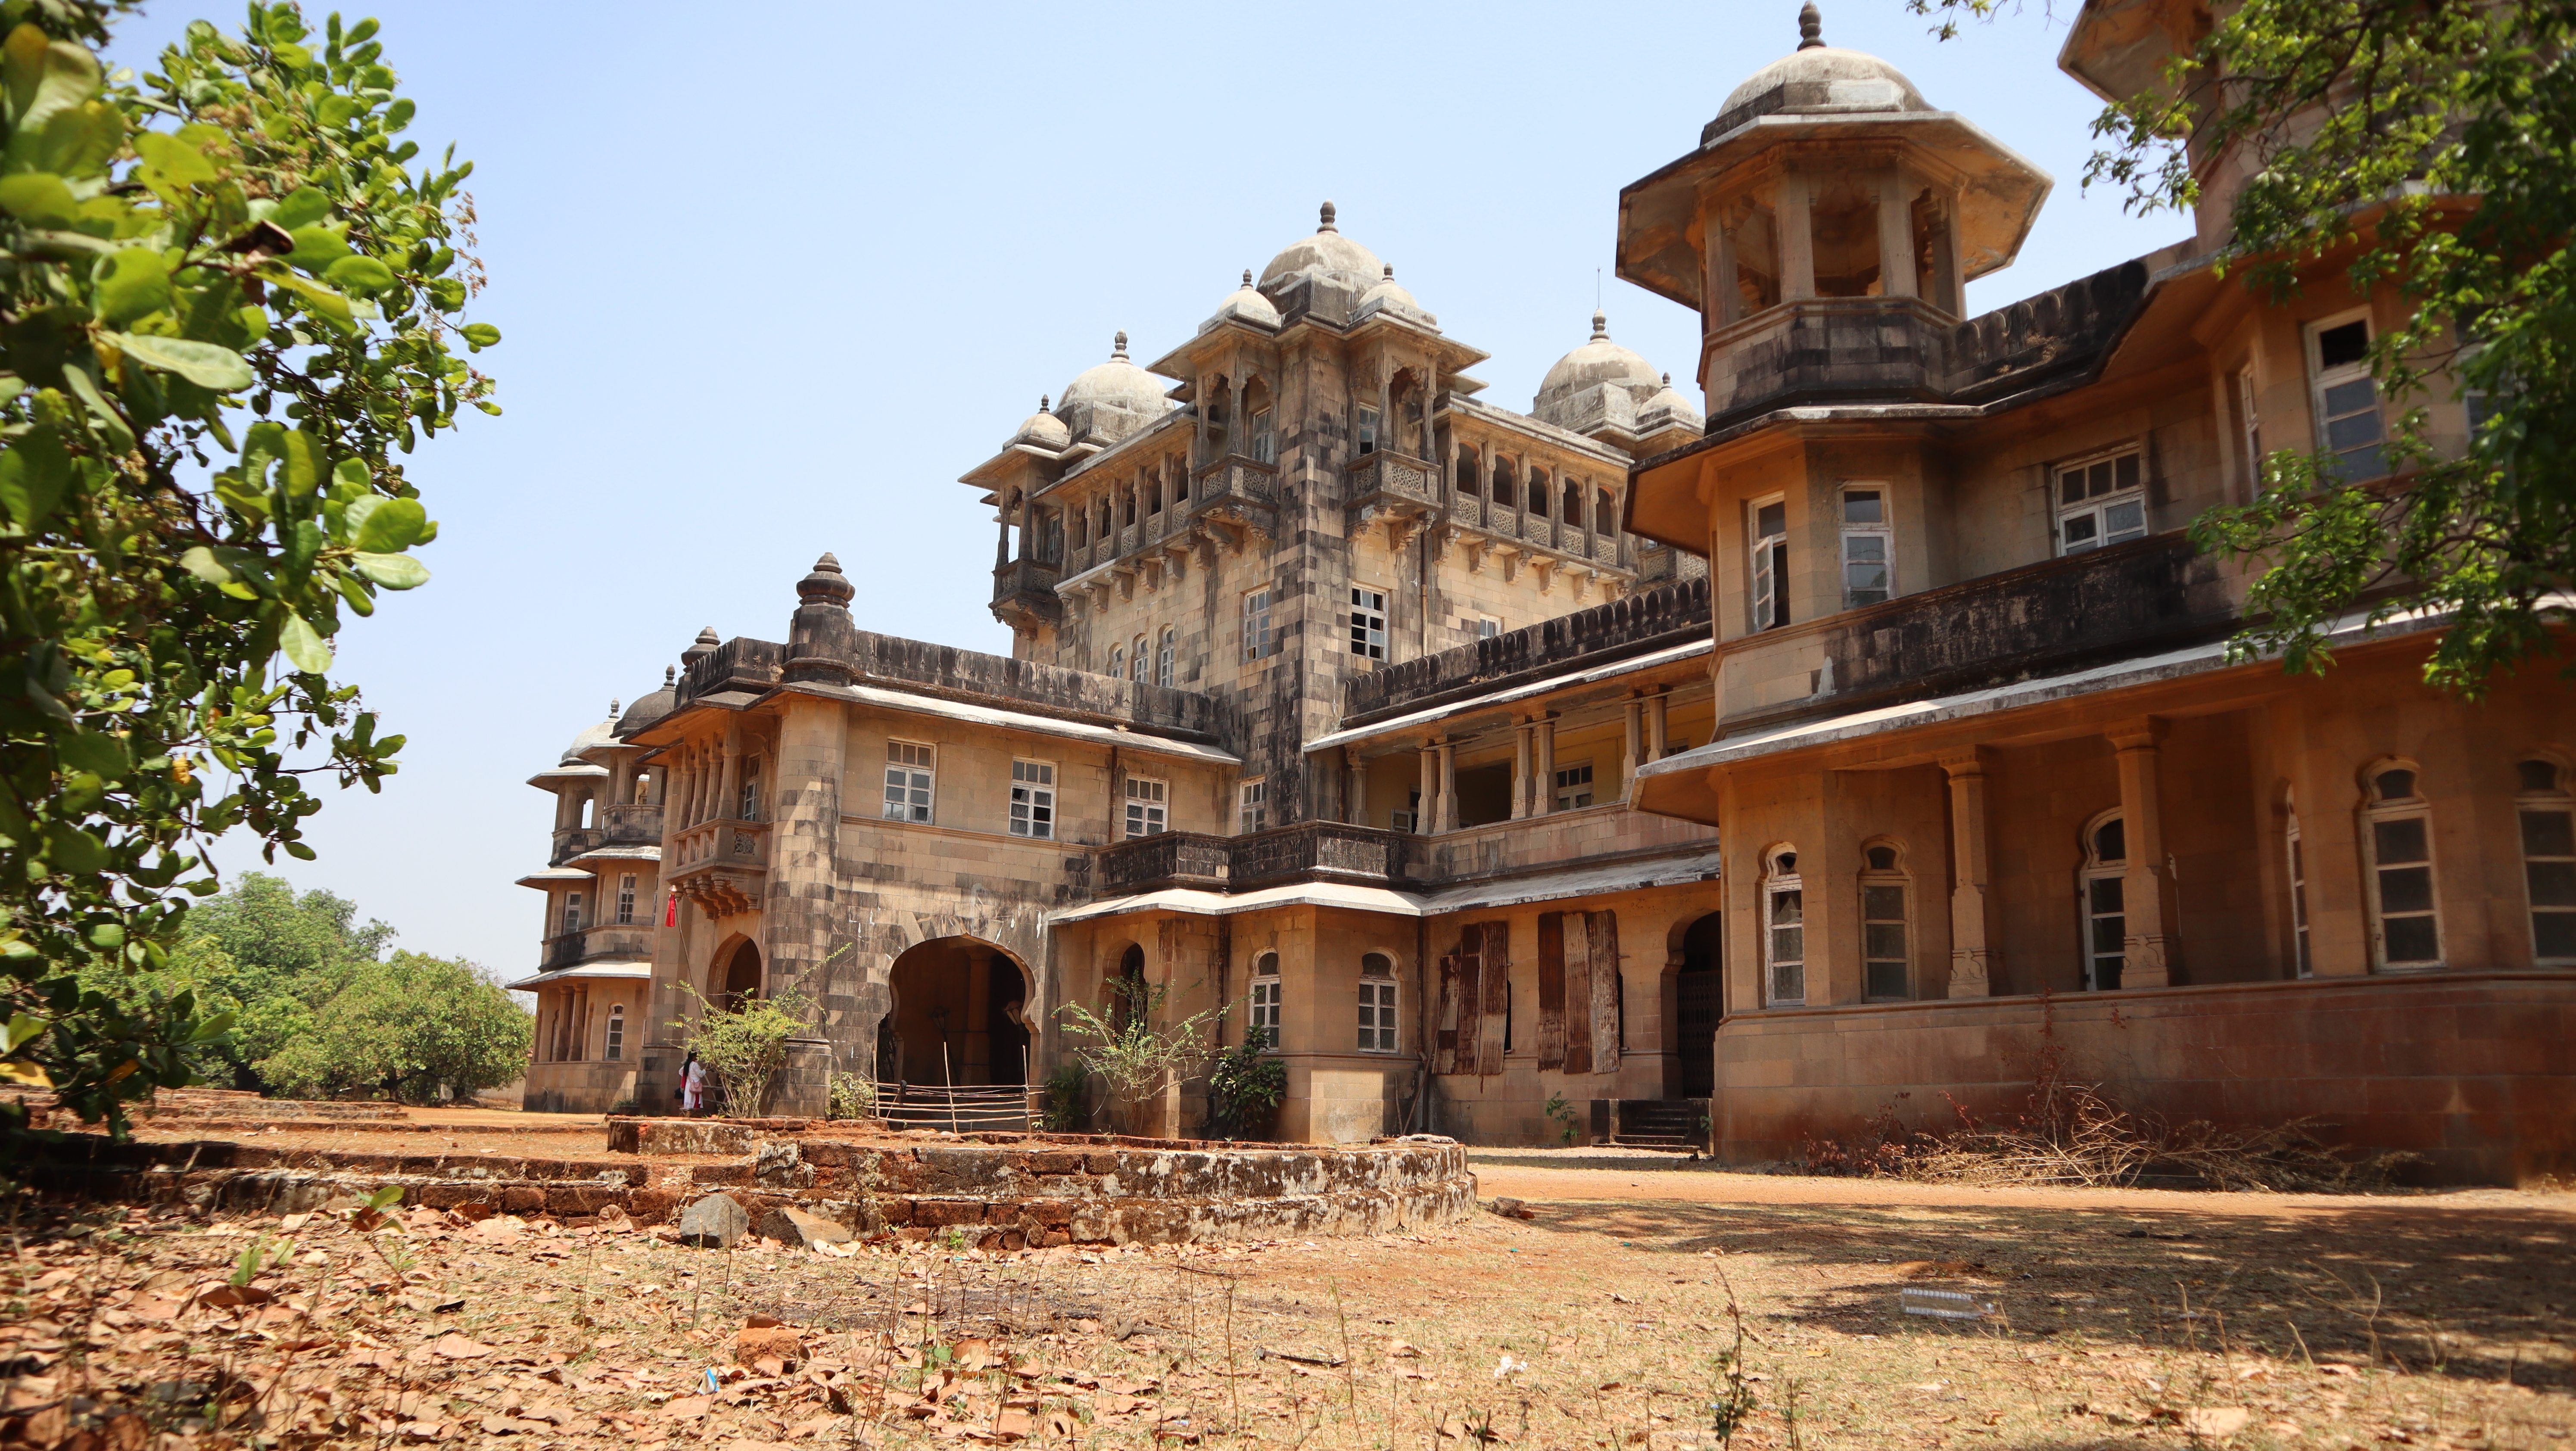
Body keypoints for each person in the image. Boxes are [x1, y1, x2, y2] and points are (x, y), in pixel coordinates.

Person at [682, 1050, 707, 1116]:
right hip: (695, 1085)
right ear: (694, 1057)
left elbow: (682, 1073)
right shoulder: (694, 1065)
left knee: (689, 1100)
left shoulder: (687, 1065)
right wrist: (705, 1070)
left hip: (688, 1085)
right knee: (696, 1100)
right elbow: (700, 1074)